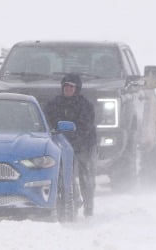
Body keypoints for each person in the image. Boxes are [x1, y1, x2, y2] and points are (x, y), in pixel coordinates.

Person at [45, 73, 97, 217]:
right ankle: (69, 204)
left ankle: (88, 209)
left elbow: (85, 127)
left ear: (77, 88)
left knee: (86, 177)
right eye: (66, 86)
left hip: (85, 146)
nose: (68, 89)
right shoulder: (54, 104)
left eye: (71, 87)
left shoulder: (85, 105)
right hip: (63, 146)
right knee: (65, 177)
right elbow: (48, 122)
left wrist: (73, 140)